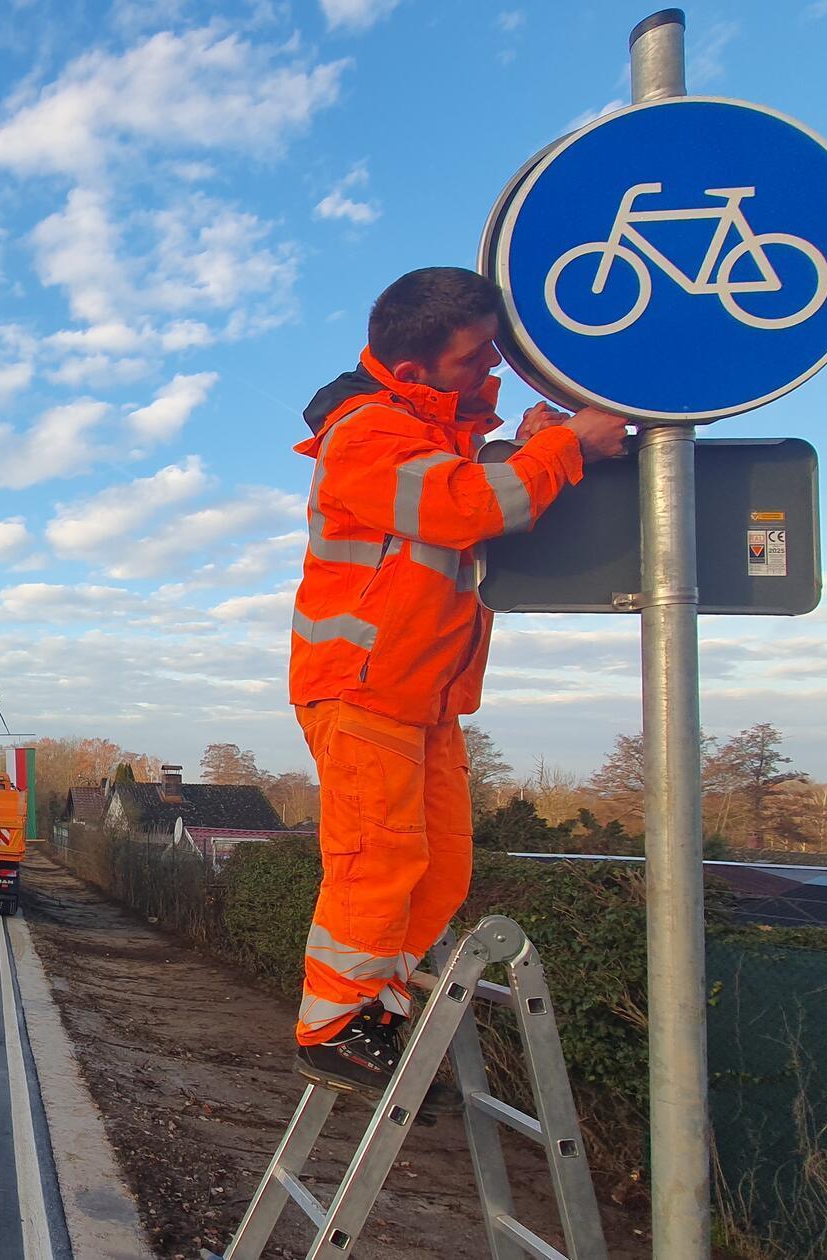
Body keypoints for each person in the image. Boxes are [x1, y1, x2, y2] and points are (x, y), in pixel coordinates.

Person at [288, 266, 628, 1094]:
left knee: (439, 867)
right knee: (378, 859)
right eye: (478, 359)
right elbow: (466, 508)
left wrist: (534, 437)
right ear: (412, 372)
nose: (495, 373)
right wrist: (568, 445)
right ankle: (330, 1026)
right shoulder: (366, 433)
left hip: (420, 694)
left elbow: (469, 481)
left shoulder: (426, 432)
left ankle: (374, 1006)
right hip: (363, 685)